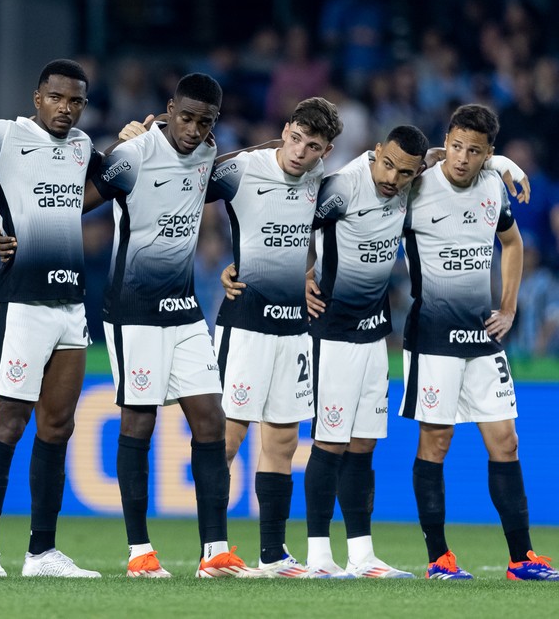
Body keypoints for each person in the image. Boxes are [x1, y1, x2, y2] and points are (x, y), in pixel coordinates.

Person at [92, 73, 257, 578]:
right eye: (185, 117)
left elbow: (263, 159)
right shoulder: (135, 153)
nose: (192, 128)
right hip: (133, 310)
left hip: (184, 311)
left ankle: (215, 552)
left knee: (211, 421)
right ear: (168, 109)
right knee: (139, 423)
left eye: (204, 121)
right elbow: (75, 201)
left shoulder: (207, 154)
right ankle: (140, 553)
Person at [400, 103, 559, 581]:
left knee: (506, 442)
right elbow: (379, 167)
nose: (463, 158)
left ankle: (522, 559)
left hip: (482, 336)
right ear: (444, 141)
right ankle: (439, 558)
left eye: (475, 151)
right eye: (456, 146)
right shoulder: (417, 185)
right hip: (431, 336)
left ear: (488, 154)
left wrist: (508, 306)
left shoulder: (493, 184)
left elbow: (512, 243)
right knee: (437, 441)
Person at [0, 59, 102, 578]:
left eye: (76, 101)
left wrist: (39, 221)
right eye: (57, 98)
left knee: (58, 426)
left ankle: (42, 552)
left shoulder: (84, 147)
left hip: (70, 305)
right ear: (37, 98)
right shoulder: (2, 136)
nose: (66, 108)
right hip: (21, 303)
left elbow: (104, 187)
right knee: (8, 424)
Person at [214, 97, 343, 577]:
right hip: (244, 324)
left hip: (293, 329)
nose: (299, 153)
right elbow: (182, 189)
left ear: (325, 150)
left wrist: (308, 271)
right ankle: (214, 550)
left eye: (313, 147)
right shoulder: (243, 169)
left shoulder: (322, 180)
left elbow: (411, 163)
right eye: (294, 139)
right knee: (226, 439)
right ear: (284, 130)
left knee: (285, 441)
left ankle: (272, 554)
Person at [303, 125, 430, 578]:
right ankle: (318, 556)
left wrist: (502, 163)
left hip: (376, 333)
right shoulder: (343, 186)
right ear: (376, 153)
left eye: (405, 173)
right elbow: (296, 220)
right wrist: (302, 272)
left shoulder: (413, 176)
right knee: (330, 441)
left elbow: (453, 158)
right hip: (333, 331)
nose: (393, 178)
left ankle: (362, 555)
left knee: (363, 445)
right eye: (388, 164)